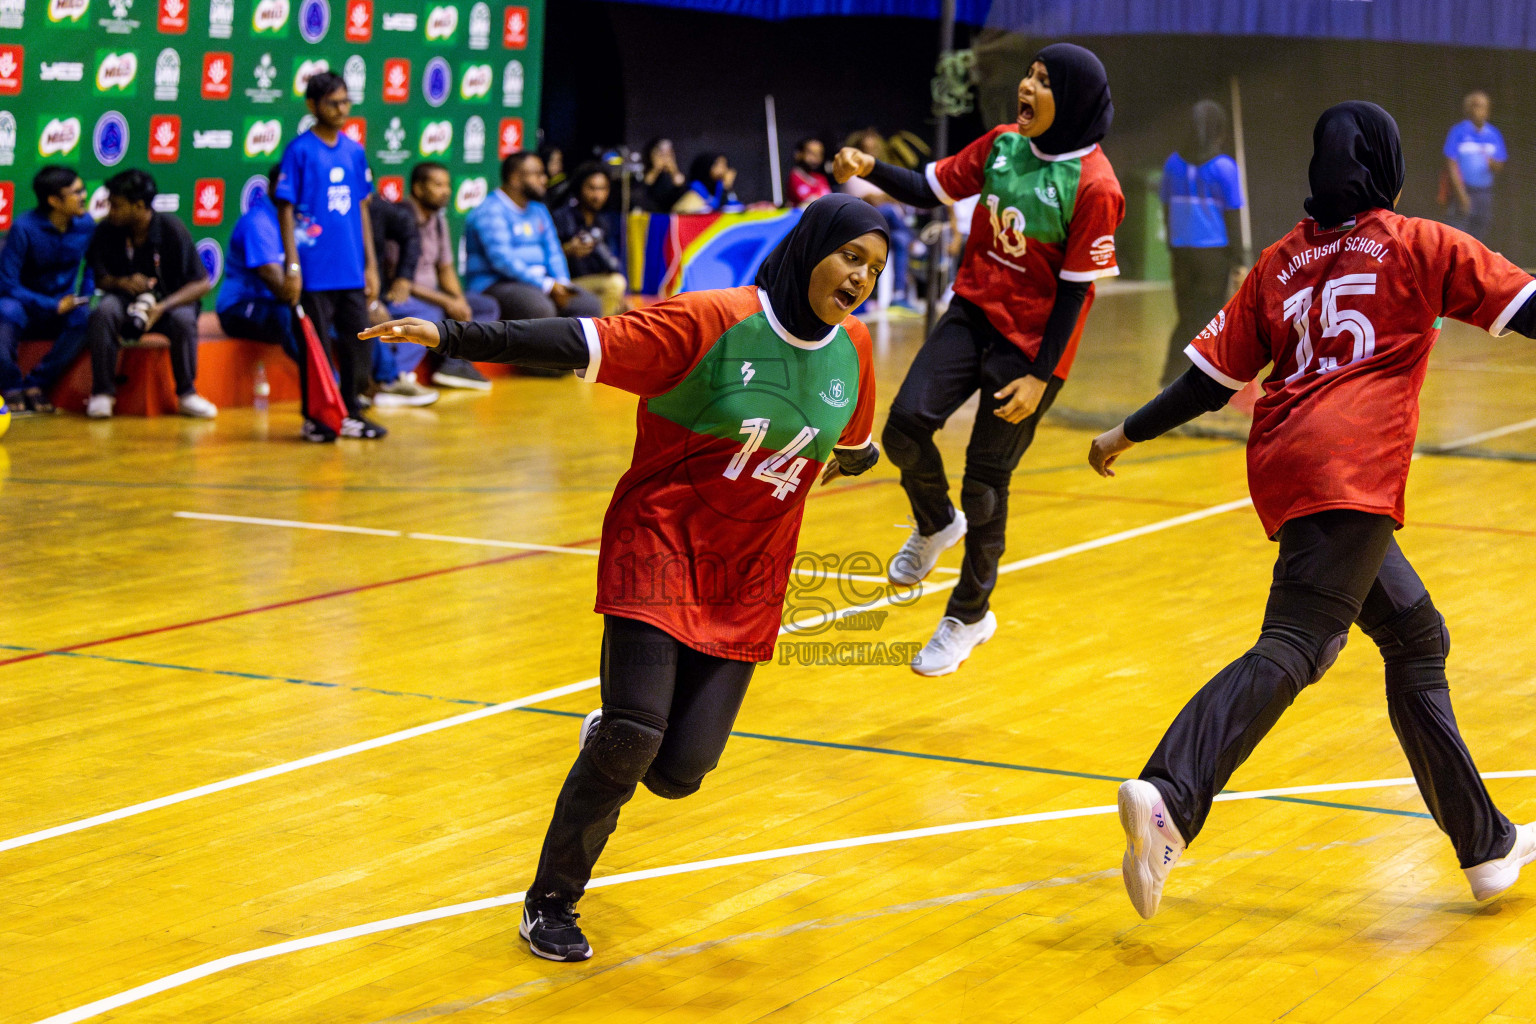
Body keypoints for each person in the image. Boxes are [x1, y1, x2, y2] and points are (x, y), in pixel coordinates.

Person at [361, 195, 889, 962]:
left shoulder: (856, 351)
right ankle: (552, 902)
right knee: (636, 735)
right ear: (812, 249)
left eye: (873, 268)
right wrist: (451, 333)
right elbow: (579, 339)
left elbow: (857, 441)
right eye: (850, 258)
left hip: (748, 580)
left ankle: (613, 734)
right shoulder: (711, 319)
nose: (860, 278)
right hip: (661, 545)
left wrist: (860, 461)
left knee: (680, 774)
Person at [1090, 102, 1536, 920]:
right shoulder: (1422, 243)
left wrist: (1123, 431)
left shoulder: (1280, 262)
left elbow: (1209, 382)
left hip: (1286, 461)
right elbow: (1529, 307)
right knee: (1298, 642)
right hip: (1352, 466)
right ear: (1389, 163)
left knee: (1415, 637)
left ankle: (1487, 846)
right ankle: (1170, 796)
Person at [832, 43, 1124, 675]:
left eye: (1044, 82)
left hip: (1033, 347)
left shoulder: (1095, 185)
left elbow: (1077, 293)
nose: (1027, 86)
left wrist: (1039, 377)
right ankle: (936, 522)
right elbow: (929, 187)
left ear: (1070, 101)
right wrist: (869, 167)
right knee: (904, 426)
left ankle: (968, 616)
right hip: (972, 313)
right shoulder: (1000, 145)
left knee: (987, 484)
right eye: (1029, 75)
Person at [274, 70, 385, 441]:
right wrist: (292, 265)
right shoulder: (299, 150)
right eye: (332, 103)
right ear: (312, 105)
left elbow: (363, 209)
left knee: (359, 341)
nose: (341, 109)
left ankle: (352, 411)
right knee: (315, 345)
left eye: (345, 101)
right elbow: (286, 209)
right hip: (313, 268)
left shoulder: (354, 151)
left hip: (351, 268)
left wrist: (371, 265)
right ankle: (316, 417)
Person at [84, 169, 216, 420]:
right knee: (103, 311)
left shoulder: (170, 228)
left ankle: (187, 394)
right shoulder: (106, 230)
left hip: (168, 303)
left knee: (183, 319)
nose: (110, 210)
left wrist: (162, 306)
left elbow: (201, 284)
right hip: (125, 301)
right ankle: (102, 393)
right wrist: (122, 282)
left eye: (117, 205)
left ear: (139, 205)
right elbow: (101, 278)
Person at [1159, 100, 1248, 385]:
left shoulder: (1172, 163)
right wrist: (1239, 259)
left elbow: (1166, 208)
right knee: (1207, 319)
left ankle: (1171, 376)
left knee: (1186, 316)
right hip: (1214, 255)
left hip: (1181, 253)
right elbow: (1232, 217)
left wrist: (1173, 246)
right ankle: (1193, 382)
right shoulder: (1225, 167)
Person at [465, 151, 602, 325]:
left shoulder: (539, 210)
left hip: (539, 282)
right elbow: (502, 260)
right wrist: (548, 286)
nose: (544, 179)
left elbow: (554, 252)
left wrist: (561, 283)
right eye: (537, 174)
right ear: (515, 178)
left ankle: (567, 352)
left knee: (587, 304)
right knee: (540, 308)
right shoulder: (490, 210)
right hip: (495, 283)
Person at [0, 166, 95, 414]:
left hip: (63, 306)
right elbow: (7, 283)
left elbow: (93, 266)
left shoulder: (86, 224)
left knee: (86, 316)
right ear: (54, 200)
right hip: (25, 305)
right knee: (5, 311)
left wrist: (84, 296)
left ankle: (35, 385)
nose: (84, 196)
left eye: (82, 189)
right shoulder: (24, 227)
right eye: (76, 192)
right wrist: (50, 304)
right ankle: (10, 387)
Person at [403, 162, 499, 392]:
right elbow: (400, 280)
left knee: (484, 307)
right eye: (438, 185)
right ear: (418, 188)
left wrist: (458, 299)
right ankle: (398, 375)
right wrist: (446, 301)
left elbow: (445, 269)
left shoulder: (439, 220)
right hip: (405, 295)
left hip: (433, 294)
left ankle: (453, 365)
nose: (446, 190)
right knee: (436, 313)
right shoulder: (400, 218)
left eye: (447, 185)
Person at [364, 190, 439, 407]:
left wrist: (404, 277)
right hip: (342, 296)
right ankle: (389, 380)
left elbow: (409, 232)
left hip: (376, 295)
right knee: (362, 319)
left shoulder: (376, 206)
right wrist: (371, 303)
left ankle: (394, 377)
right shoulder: (319, 208)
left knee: (428, 314)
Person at [839, 129, 916, 312]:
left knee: (900, 240)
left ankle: (898, 296)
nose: (870, 154)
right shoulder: (851, 173)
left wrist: (885, 197)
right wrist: (887, 198)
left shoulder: (883, 174)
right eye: (866, 149)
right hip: (861, 227)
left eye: (874, 149)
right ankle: (915, 240)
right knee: (889, 211)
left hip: (885, 229)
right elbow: (872, 200)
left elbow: (894, 197)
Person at [552, 163, 629, 317]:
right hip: (563, 283)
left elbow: (611, 265)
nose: (597, 195)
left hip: (592, 283)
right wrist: (568, 250)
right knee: (616, 283)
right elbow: (546, 257)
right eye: (592, 188)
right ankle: (600, 334)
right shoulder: (562, 217)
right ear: (579, 188)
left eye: (602, 189)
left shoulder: (603, 223)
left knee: (622, 299)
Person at [1442, 90, 1505, 242]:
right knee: (1458, 235)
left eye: (1483, 106)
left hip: (1484, 193)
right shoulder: (1458, 132)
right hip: (1462, 192)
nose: (1480, 110)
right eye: (1476, 106)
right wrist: (1461, 194)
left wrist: (1493, 164)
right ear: (1468, 109)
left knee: (1479, 235)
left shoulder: (1494, 134)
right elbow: (1451, 164)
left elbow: (1500, 164)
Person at [672, 153, 743, 214]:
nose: (724, 170)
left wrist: (726, 188)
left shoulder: (718, 185)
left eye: (725, 165)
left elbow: (730, 207)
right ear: (708, 167)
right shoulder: (693, 189)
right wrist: (725, 187)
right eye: (720, 166)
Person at [637, 138, 687, 213]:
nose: (665, 158)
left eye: (669, 153)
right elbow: (644, 188)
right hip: (651, 215)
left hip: (671, 216)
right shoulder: (643, 172)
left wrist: (674, 170)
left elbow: (681, 189)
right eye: (660, 154)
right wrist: (656, 169)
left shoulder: (674, 173)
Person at [790, 138, 832, 206]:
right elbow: (806, 202)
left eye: (819, 154)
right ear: (799, 154)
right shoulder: (795, 176)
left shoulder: (821, 178)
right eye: (811, 153)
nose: (815, 159)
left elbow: (829, 200)